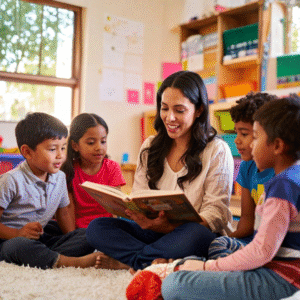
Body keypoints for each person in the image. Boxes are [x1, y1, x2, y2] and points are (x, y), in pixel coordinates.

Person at [86, 70, 234, 271]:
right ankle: (155, 261)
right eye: (164, 108)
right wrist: (141, 216)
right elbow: (139, 194)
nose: (170, 117)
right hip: (153, 231)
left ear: (199, 110)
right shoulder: (150, 146)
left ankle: (133, 262)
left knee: (195, 235)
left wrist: (170, 228)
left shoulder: (216, 150)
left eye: (179, 110)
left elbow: (215, 212)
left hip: (193, 233)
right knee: (97, 228)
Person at [160, 95, 300, 300]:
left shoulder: (283, 186)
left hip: (280, 278)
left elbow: (261, 252)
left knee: (174, 285)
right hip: (275, 268)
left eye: (257, 137)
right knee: (191, 263)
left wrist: (208, 267)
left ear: (277, 146)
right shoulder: (291, 177)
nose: (251, 145)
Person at [0, 112, 98, 269]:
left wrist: (70, 237)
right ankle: (68, 261)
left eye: (63, 148)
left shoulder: (59, 178)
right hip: (8, 240)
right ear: (27, 152)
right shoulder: (11, 180)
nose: (60, 155)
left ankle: (45, 256)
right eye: (53, 149)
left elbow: (64, 212)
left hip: (39, 239)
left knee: (89, 234)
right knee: (19, 246)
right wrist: (18, 234)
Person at [208, 92, 277, 259]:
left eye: (244, 134)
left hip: (276, 246)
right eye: (236, 133)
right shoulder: (248, 166)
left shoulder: (282, 173)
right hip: (253, 240)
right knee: (217, 244)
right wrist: (226, 240)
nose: (237, 140)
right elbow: (246, 221)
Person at [61, 113, 125, 229]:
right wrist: (71, 237)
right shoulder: (69, 171)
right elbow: (68, 209)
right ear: (75, 145)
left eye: (103, 141)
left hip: (106, 228)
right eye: (91, 143)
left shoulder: (112, 168)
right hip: (80, 231)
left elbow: (116, 207)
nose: (99, 147)